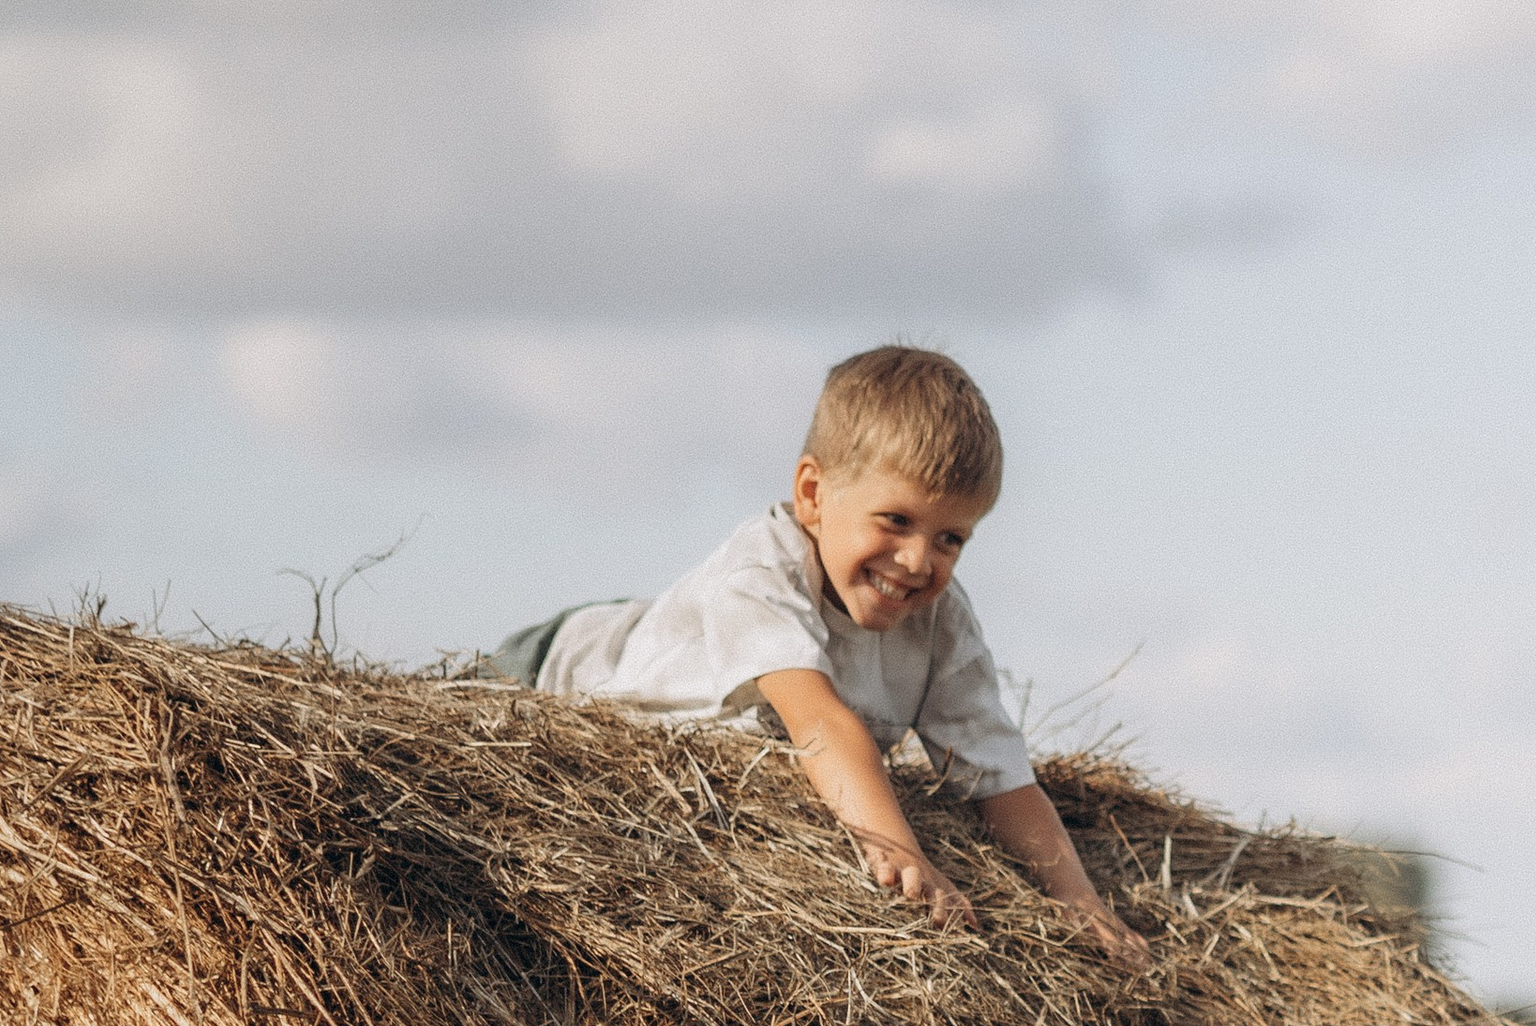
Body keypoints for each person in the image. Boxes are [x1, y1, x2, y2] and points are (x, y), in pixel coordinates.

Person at [489, 345, 1146, 969]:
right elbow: (820, 723)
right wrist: (901, 853)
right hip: (559, 663)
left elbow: (1000, 777)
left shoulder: (941, 619)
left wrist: (1078, 901)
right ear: (812, 495)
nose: (918, 560)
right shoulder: (761, 571)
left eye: (951, 538)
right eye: (895, 521)